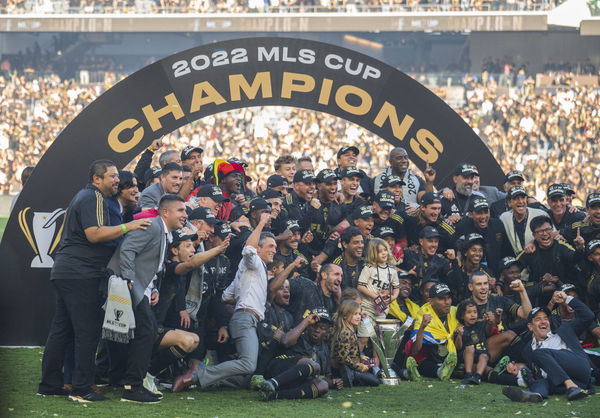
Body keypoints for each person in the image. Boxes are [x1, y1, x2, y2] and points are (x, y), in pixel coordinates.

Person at [38, 160, 151, 402]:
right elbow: (95, 233)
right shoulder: (94, 198)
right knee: (87, 332)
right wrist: (128, 227)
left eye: (116, 177)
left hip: (66, 271)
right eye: (111, 177)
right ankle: (81, 388)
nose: (116, 181)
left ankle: (49, 384)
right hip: (81, 272)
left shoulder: (86, 197)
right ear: (96, 179)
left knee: (62, 329)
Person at [172, 212, 274, 392]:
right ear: (259, 249)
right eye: (270, 246)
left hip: (246, 318)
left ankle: (208, 379)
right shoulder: (254, 261)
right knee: (248, 365)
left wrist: (225, 320)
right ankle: (196, 375)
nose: (274, 250)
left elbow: (226, 296)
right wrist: (261, 223)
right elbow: (248, 249)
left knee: (248, 372)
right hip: (245, 318)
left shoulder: (251, 270)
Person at [107, 194, 188, 403]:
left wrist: (152, 288)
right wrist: (128, 280)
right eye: (180, 211)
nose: (184, 215)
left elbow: (150, 264)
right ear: (165, 212)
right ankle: (132, 386)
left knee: (144, 331)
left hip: (140, 288)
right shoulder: (152, 226)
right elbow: (127, 250)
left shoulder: (165, 232)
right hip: (126, 286)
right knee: (145, 331)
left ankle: (127, 381)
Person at [502, 291, 595, 402]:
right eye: (538, 319)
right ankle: (535, 395)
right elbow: (529, 367)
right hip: (571, 384)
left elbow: (588, 316)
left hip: (579, 368)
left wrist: (567, 299)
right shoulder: (527, 350)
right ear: (530, 327)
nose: (543, 322)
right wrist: (514, 367)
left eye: (546, 318)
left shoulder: (565, 330)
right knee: (540, 381)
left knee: (540, 353)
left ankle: (571, 386)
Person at [517, 216, 580, 305]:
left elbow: (577, 259)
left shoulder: (562, 246)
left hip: (564, 294)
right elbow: (512, 268)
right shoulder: (529, 250)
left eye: (548, 229)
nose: (545, 233)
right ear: (534, 235)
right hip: (539, 297)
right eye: (540, 231)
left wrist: (580, 248)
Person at [407, 283, 459, 381]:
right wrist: (422, 327)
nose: (447, 302)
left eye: (449, 298)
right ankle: (440, 371)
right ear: (430, 301)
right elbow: (414, 350)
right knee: (423, 363)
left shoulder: (455, 311)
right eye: (441, 299)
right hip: (432, 358)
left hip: (456, 353)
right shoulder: (424, 314)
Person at [356, 239, 400, 344]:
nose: (384, 253)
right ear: (373, 253)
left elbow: (396, 288)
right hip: (367, 307)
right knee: (364, 336)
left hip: (382, 309)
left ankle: (377, 360)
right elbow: (360, 286)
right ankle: (358, 358)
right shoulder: (369, 268)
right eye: (380, 251)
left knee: (379, 339)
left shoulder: (392, 270)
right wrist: (375, 296)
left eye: (385, 250)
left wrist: (393, 297)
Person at [455, 197, 509, 277]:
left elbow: (506, 251)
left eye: (486, 212)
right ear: (470, 214)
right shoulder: (462, 227)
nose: (483, 216)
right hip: (471, 275)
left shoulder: (498, 225)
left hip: (496, 273)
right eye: (479, 213)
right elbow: (456, 250)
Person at [330, 300, 380, 387]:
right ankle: (351, 377)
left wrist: (360, 357)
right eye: (355, 314)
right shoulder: (345, 333)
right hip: (346, 368)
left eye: (359, 314)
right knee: (375, 381)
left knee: (373, 377)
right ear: (345, 315)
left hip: (351, 365)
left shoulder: (350, 329)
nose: (358, 317)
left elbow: (349, 352)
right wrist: (359, 366)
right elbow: (343, 358)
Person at [499, 186, 549, 256]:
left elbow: (554, 234)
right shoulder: (504, 217)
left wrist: (533, 242)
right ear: (509, 203)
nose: (520, 201)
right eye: (516, 198)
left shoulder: (541, 214)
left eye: (523, 198)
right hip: (519, 262)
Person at [456, 299, 490, 385]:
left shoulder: (480, 324)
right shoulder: (461, 329)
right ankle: (468, 375)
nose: (472, 315)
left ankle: (477, 377)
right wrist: (459, 335)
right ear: (462, 316)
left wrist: (491, 318)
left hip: (480, 352)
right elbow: (458, 347)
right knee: (470, 348)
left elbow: (491, 325)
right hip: (466, 355)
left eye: (475, 312)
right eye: (469, 312)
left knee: (484, 355)